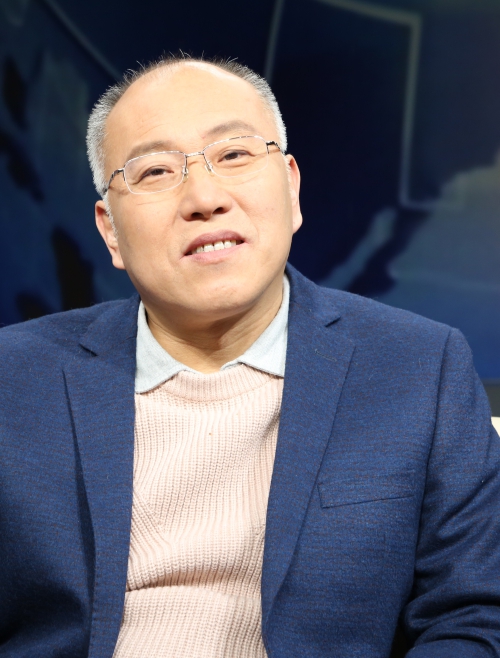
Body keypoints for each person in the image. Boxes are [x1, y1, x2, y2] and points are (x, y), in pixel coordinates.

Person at [0, 55, 499, 658]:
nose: (204, 197)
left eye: (234, 154)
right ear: (110, 231)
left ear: (291, 188)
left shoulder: (420, 368)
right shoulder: (15, 378)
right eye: (155, 171)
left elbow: (473, 615)